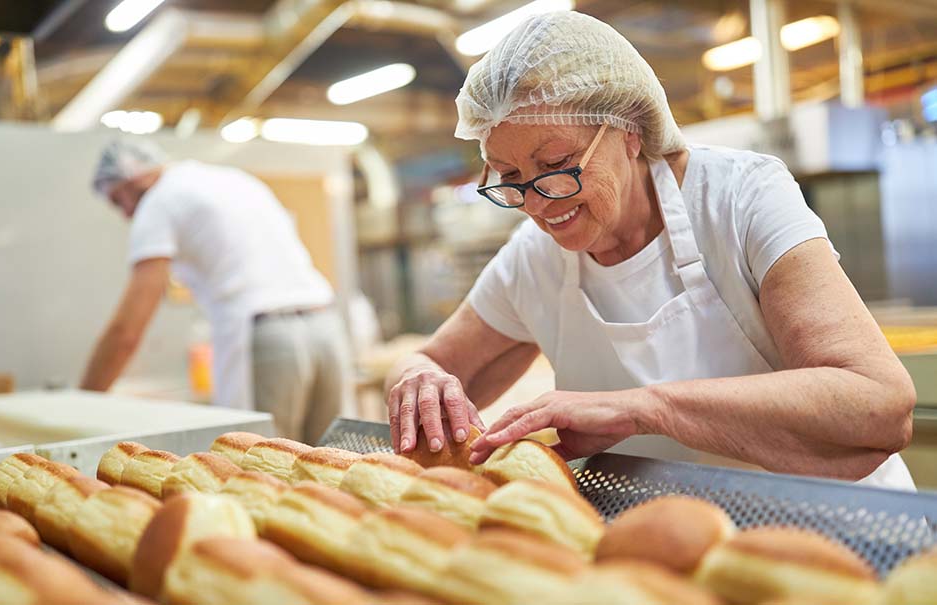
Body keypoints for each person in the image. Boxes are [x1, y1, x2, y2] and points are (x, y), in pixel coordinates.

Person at [385, 11, 916, 489]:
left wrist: (646, 408)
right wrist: (417, 379)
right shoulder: (534, 259)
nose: (541, 204)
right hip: (668, 542)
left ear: (630, 132)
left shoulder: (738, 199)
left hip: (835, 528)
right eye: (511, 178)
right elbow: (427, 360)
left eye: (557, 165)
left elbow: (877, 403)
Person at [81, 140, 353, 443]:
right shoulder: (233, 180)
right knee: (329, 464)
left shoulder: (158, 202)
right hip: (326, 327)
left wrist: (80, 404)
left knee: (262, 468)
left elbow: (126, 332)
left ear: (132, 179)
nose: (125, 215)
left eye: (119, 201)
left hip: (269, 339)